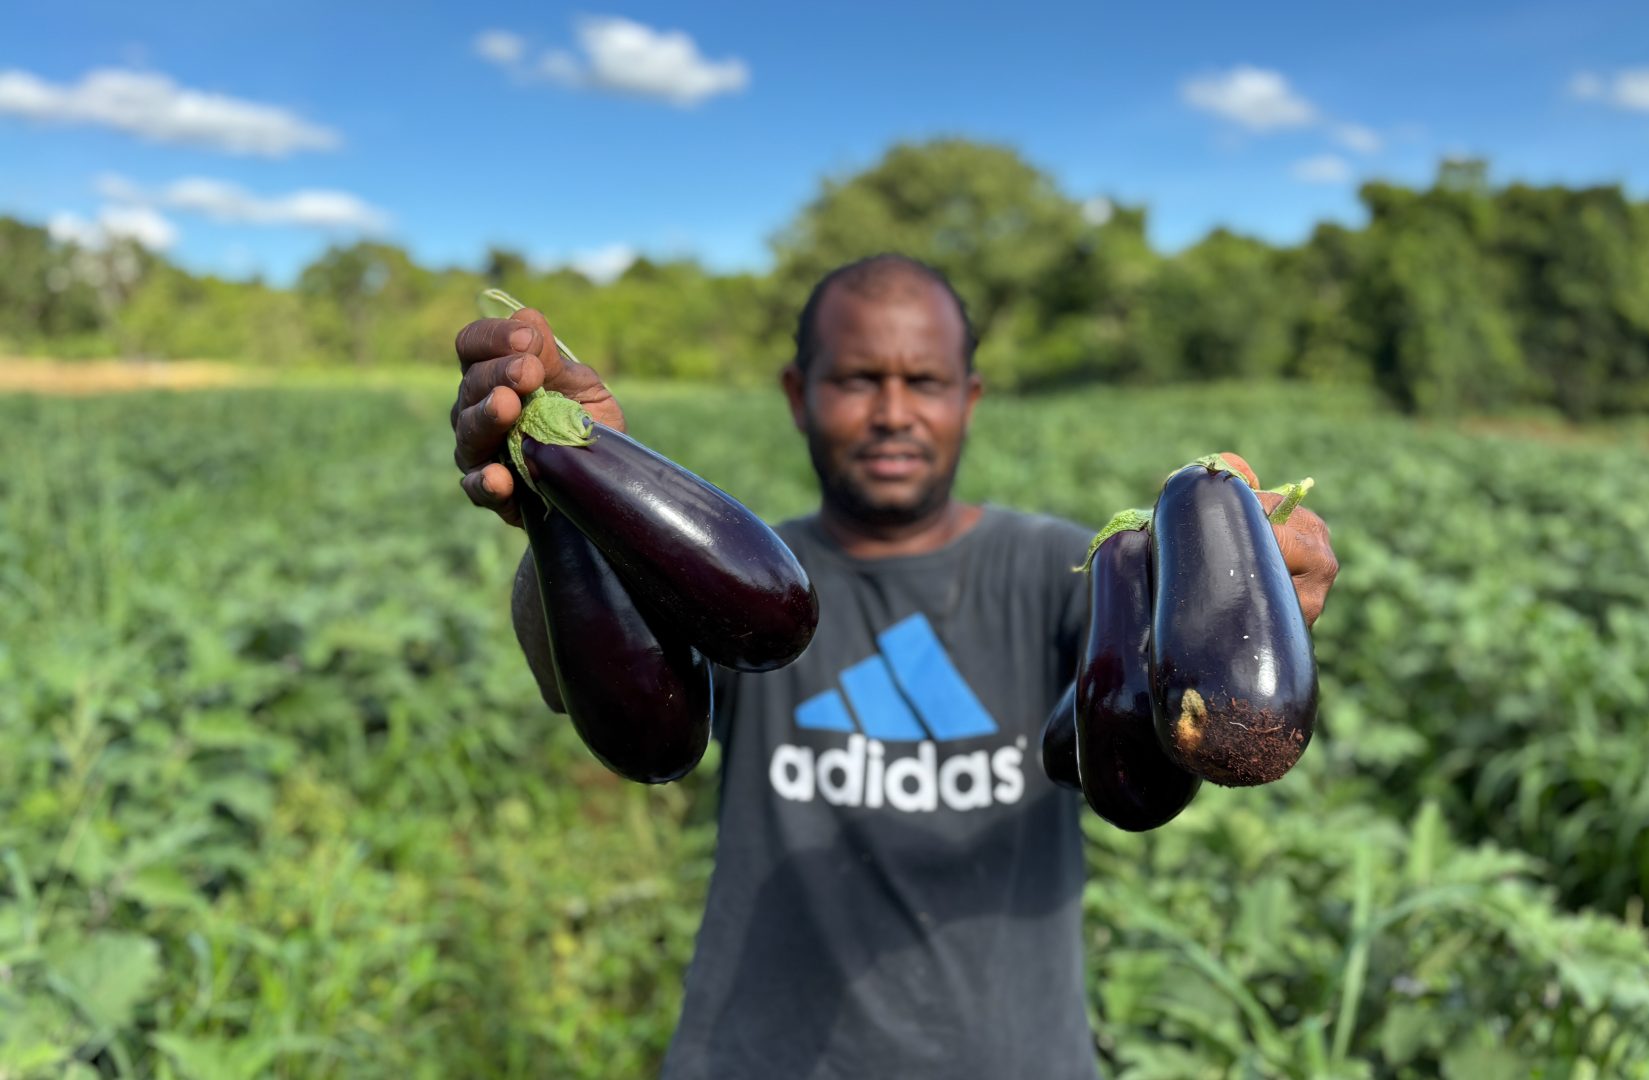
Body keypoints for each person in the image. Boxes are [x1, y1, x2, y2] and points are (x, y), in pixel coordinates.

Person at [449, 254, 1339, 1078]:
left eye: (925, 381)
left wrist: (1240, 598)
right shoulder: (731, 575)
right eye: (856, 379)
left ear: (970, 398)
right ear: (797, 395)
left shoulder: (1065, 570)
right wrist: (573, 497)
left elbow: (1145, 738)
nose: (893, 412)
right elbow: (607, 699)